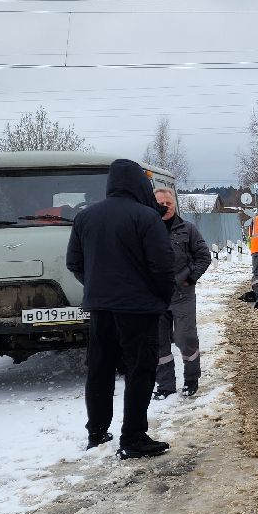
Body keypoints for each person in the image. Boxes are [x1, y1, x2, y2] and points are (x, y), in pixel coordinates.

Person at [66, 159, 175, 459]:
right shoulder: (146, 218)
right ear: (140, 183)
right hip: (138, 309)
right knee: (140, 371)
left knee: (99, 370)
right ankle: (134, 436)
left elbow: (74, 263)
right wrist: (160, 299)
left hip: (100, 308)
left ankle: (97, 434)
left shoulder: (85, 218)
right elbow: (163, 266)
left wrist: (98, 285)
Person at [153, 189, 211, 399]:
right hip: (156, 297)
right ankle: (165, 385)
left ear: (175, 205)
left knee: (185, 338)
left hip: (182, 295)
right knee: (159, 343)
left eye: (169, 202)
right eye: (161, 202)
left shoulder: (188, 229)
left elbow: (204, 256)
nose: (165, 206)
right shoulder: (147, 230)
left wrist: (191, 278)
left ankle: (191, 379)